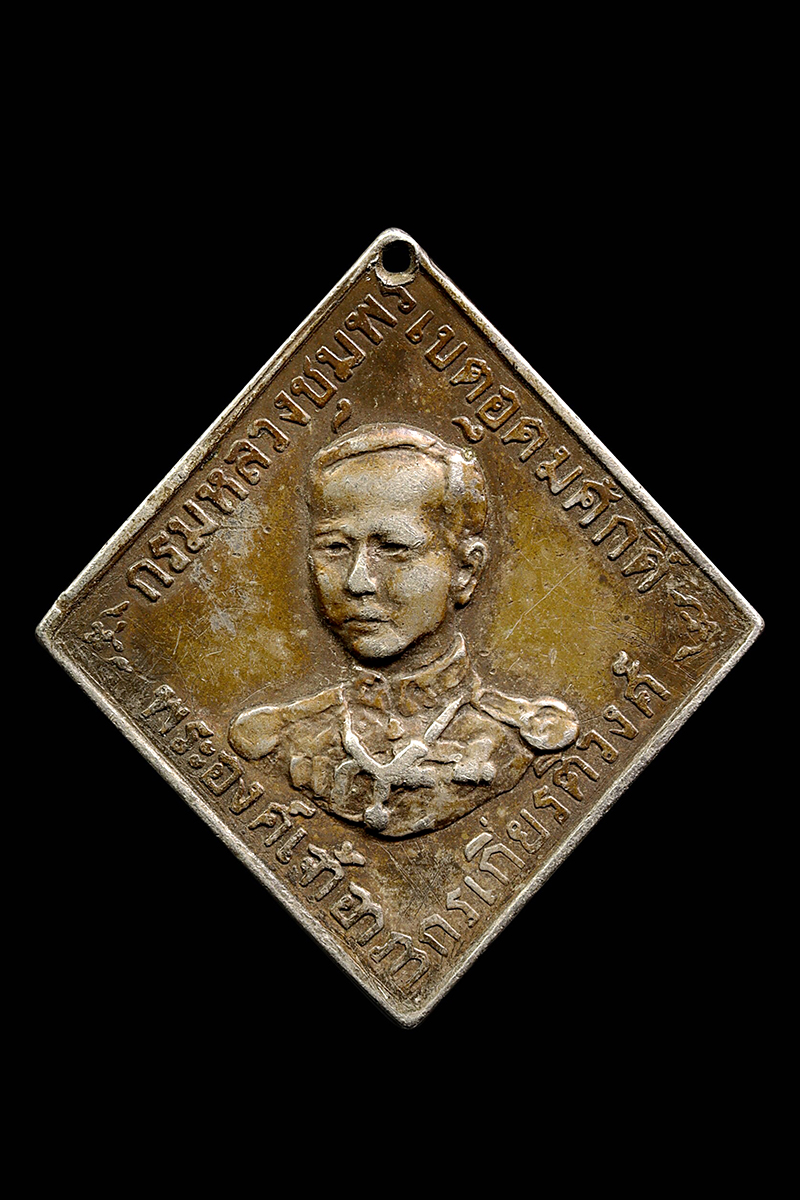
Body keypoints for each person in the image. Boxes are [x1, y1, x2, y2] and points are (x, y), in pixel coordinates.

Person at [229, 423, 578, 838]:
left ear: (466, 570)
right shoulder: (284, 737)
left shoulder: (519, 737)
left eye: (393, 548)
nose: (357, 581)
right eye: (334, 548)